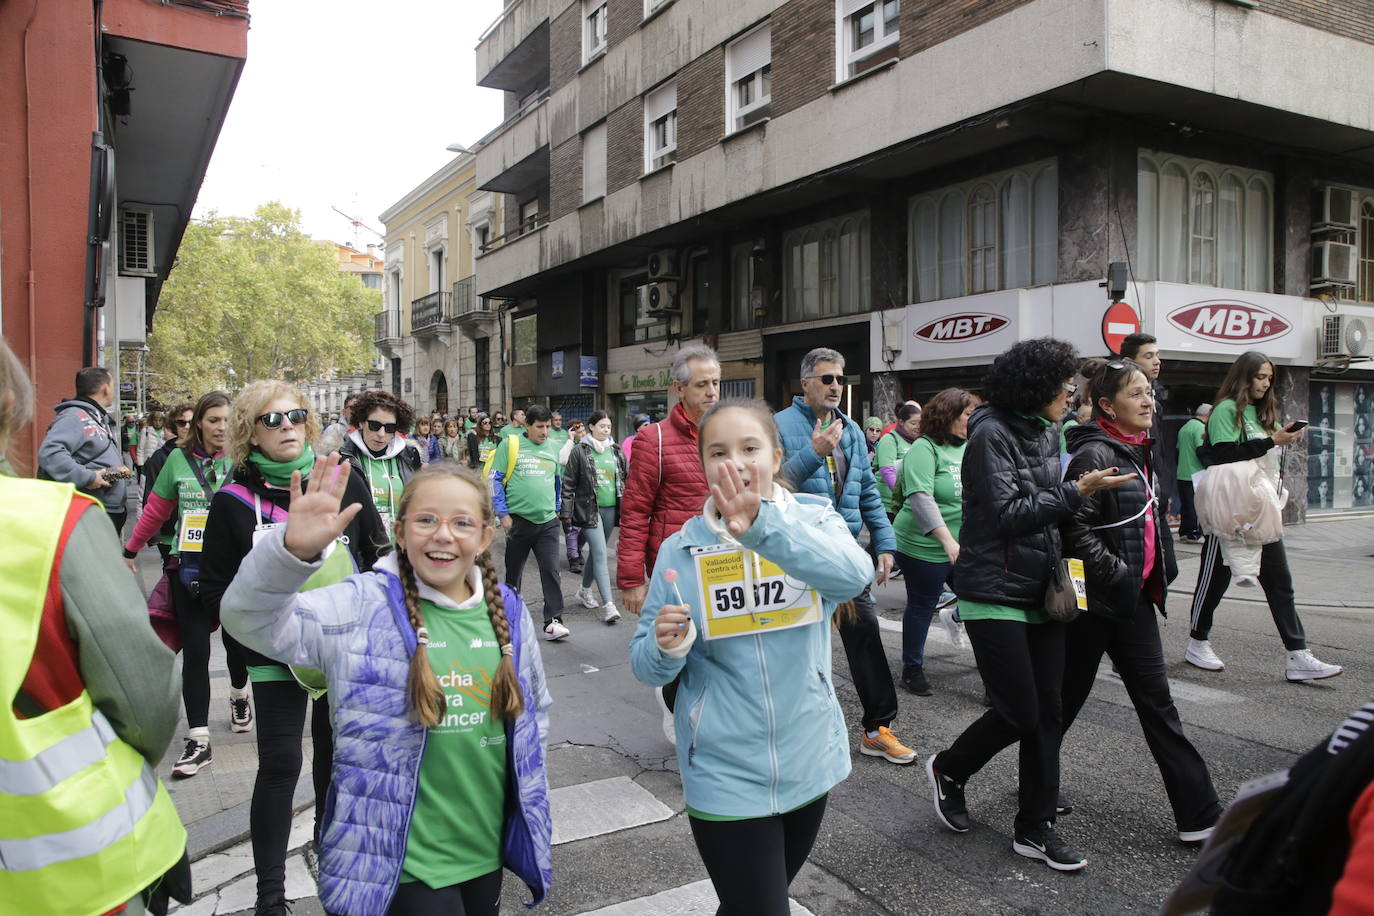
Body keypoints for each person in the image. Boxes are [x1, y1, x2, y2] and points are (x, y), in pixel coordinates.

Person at [220, 458, 552, 916]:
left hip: (486, 852)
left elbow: (535, 715)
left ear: (484, 537)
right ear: (399, 531)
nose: (443, 534)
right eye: (426, 520)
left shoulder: (510, 611)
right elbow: (246, 619)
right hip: (402, 865)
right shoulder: (360, 605)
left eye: (462, 522)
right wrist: (290, 554)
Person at [629, 399, 872, 916]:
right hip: (723, 768)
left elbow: (854, 576)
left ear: (776, 455)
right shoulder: (681, 550)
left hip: (809, 758)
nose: (734, 462)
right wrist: (666, 647)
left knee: (748, 905)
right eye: (718, 451)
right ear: (702, 463)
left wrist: (763, 529)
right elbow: (645, 663)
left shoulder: (813, 518)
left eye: (750, 448)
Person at [926, 337, 1132, 872]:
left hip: (1042, 589)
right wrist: (1075, 492)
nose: (1071, 395)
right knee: (1019, 711)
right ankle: (950, 768)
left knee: (1049, 712)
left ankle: (1034, 828)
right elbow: (1005, 514)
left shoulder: (1047, 431)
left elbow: (1046, 512)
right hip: (994, 589)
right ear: (1035, 386)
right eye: (1064, 386)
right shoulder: (991, 433)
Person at [0, 338, 191, 916]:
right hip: (74, 869)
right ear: (9, 402)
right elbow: (145, 697)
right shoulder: (46, 522)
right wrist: (93, 478)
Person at [198, 381, 388, 916]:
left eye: (295, 415)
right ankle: (271, 898)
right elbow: (214, 593)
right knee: (280, 765)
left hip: (342, 654)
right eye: (271, 419)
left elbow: (378, 561)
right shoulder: (233, 503)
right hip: (272, 657)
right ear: (248, 433)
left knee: (336, 762)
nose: (286, 426)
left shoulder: (345, 482)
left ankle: (337, 876)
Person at [1060, 358, 1222, 845]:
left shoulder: (1138, 450)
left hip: (1133, 604)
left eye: (1151, 392)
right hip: (1095, 605)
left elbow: (1146, 525)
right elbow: (1072, 527)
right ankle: (979, 773)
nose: (1150, 401)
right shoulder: (1093, 454)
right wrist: (1116, 571)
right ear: (1107, 405)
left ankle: (1201, 815)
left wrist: (1159, 571)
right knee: (1058, 706)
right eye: (1137, 394)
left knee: (1158, 705)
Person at [775, 347, 915, 766]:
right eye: (827, 379)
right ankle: (786, 733)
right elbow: (771, 488)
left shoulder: (852, 429)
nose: (836, 386)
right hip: (797, 556)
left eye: (840, 379)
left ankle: (877, 729)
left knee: (865, 634)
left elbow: (868, 490)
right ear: (806, 384)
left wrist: (885, 544)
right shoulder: (778, 427)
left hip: (844, 554)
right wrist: (814, 452)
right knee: (793, 645)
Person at [1185, 351, 1342, 681]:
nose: (1265, 383)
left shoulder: (1259, 411)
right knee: (1214, 578)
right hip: (1231, 506)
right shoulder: (1227, 409)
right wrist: (1272, 440)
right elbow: (1224, 454)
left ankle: (1297, 654)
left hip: (1260, 506)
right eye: (1259, 376)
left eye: (1269, 377)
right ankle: (1197, 641)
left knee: (1280, 582)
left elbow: (1260, 452)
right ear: (1243, 377)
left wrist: (1277, 439)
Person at [122, 390, 251, 778]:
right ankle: (199, 739)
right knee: (194, 652)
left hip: (235, 571)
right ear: (199, 424)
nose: (221, 427)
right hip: (189, 568)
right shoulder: (176, 461)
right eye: (213, 420)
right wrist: (129, 551)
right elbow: (155, 511)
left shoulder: (245, 463)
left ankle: (239, 694)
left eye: (228, 419)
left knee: (236, 644)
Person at [617, 347, 719, 740]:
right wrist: (631, 578)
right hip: (672, 569)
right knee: (675, 646)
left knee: (712, 651)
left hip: (720, 562)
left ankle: (704, 722)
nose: (711, 392)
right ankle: (673, 709)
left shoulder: (724, 430)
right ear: (679, 388)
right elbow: (636, 510)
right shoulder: (653, 438)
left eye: (715, 383)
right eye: (701, 384)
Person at [892, 388, 976, 694]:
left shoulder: (969, 446)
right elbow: (921, 498)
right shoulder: (923, 449)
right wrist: (946, 541)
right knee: (922, 604)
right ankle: (911, 668)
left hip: (961, 544)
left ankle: (994, 671)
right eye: (967, 414)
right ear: (948, 415)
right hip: (922, 545)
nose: (972, 420)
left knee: (977, 600)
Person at [491, 404, 570, 641]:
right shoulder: (510, 444)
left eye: (547, 426)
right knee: (514, 572)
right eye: (539, 427)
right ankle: (509, 618)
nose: (545, 431)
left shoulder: (553, 447)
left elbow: (556, 481)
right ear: (527, 425)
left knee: (551, 570)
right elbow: (494, 479)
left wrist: (556, 508)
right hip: (518, 521)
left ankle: (553, 620)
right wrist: (503, 514)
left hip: (547, 522)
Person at [37, 365, 131, 533]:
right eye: (113, 386)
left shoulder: (95, 417)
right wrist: (87, 477)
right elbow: (50, 453)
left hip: (104, 509)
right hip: (91, 512)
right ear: (105, 388)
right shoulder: (74, 416)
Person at [562, 411, 628, 624]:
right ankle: (609, 605)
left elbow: (626, 480)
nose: (606, 430)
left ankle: (583, 591)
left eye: (608, 426)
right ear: (591, 427)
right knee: (600, 552)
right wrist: (566, 513)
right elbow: (569, 483)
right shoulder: (579, 451)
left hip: (611, 509)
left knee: (596, 554)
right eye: (602, 426)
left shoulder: (616, 451)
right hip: (589, 509)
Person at [338, 390, 422, 534]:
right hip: (360, 550)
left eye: (389, 428)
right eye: (374, 425)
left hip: (401, 547)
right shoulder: (341, 458)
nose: (381, 434)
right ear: (361, 422)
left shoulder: (409, 456)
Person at [1121, 332, 1178, 519]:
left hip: (1156, 495)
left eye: (1158, 355)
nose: (1157, 362)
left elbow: (1159, 451)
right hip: (1133, 497)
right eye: (1148, 356)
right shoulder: (1118, 405)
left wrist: (1164, 488)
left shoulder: (1157, 404)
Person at [876, 403, 922, 518]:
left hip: (908, 503)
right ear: (901, 422)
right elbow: (887, 471)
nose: (918, 427)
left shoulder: (918, 441)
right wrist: (903, 495)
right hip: (887, 505)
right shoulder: (889, 439)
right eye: (913, 423)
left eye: (920, 423)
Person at [1175, 403, 1211, 543]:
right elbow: (1201, 450)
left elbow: (1177, 451)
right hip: (1196, 473)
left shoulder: (1185, 427)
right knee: (1197, 505)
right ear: (1207, 415)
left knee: (1186, 505)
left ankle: (1184, 531)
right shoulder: (1200, 428)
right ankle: (1194, 534)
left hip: (1182, 473)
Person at [139, 411, 164, 476]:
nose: (157, 423)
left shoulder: (166, 431)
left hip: (162, 462)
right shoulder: (146, 430)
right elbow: (140, 448)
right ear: (152, 421)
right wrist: (141, 464)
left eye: (160, 420)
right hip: (148, 462)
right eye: (155, 420)